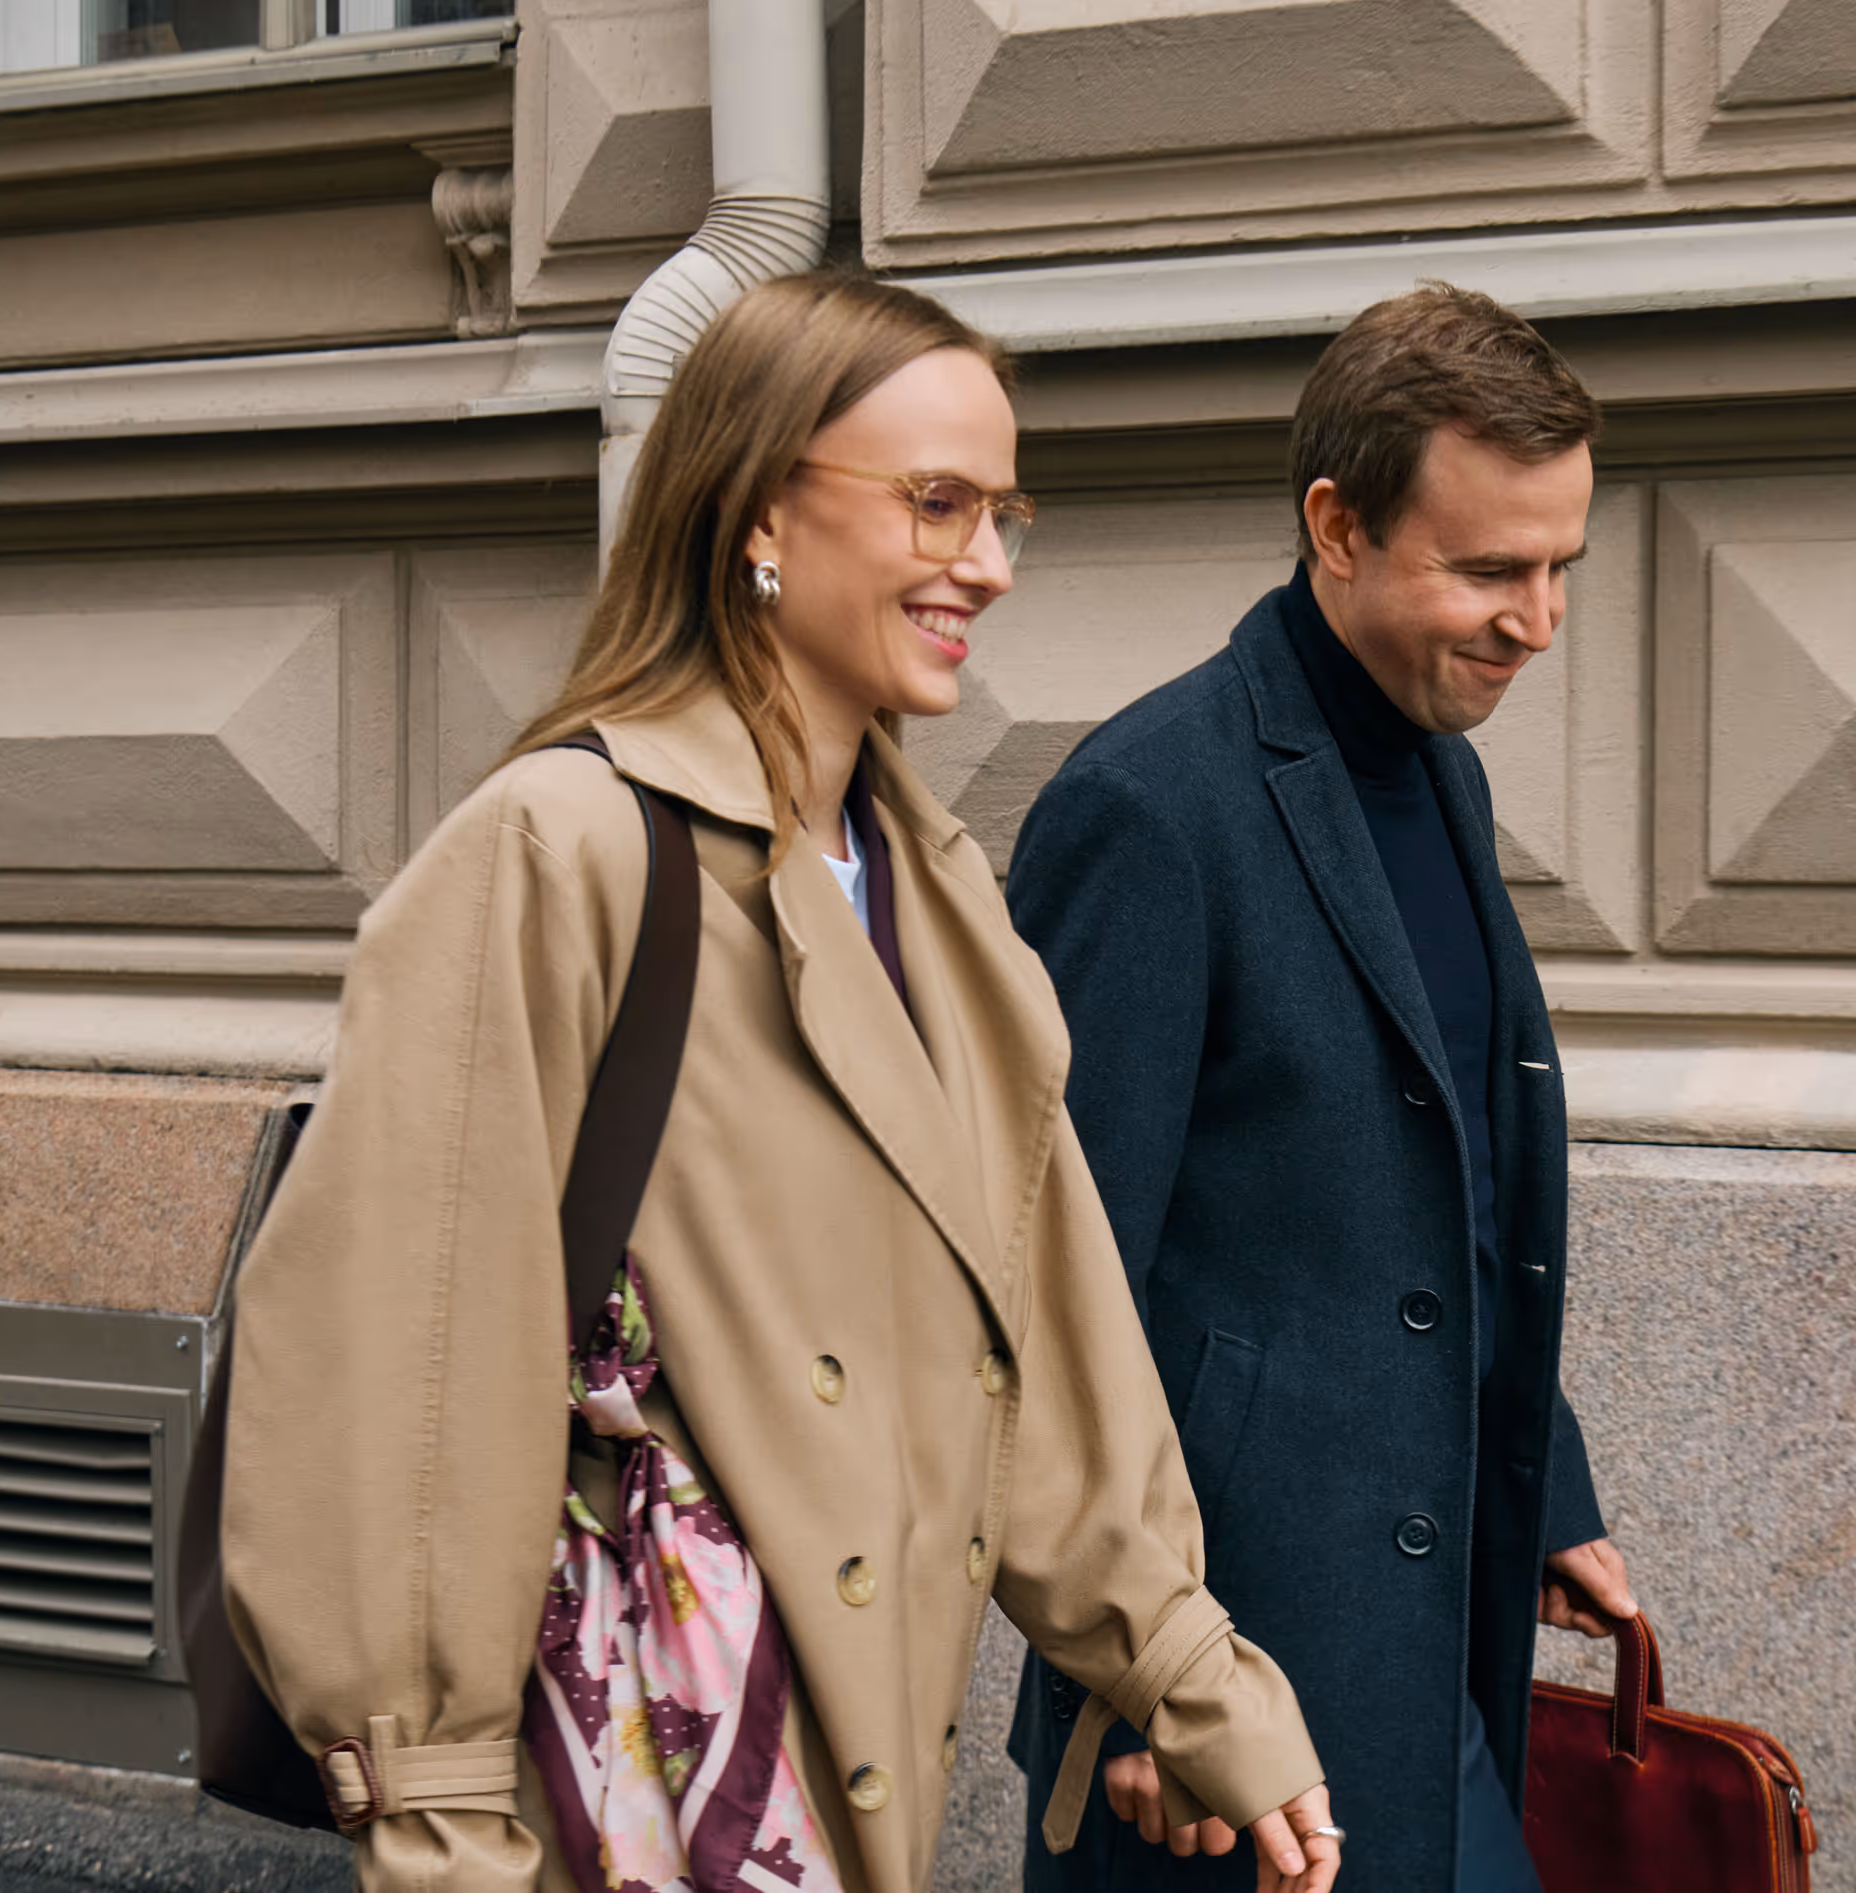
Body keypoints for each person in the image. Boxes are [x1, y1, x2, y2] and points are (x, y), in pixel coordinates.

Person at [219, 273, 1342, 1893]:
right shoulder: (564, 847)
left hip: (844, 1757)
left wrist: (1187, 1675)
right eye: (937, 504)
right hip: (629, 1773)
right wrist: (437, 1812)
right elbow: (401, 1358)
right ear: (759, 510)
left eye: (1004, 513)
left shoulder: (935, 894)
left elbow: (1034, 1330)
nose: (990, 564)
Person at [1002, 282, 1636, 1892]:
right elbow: (1058, 1293)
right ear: (1337, 527)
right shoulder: (1147, 808)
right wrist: (1134, 1683)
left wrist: (1541, 1481)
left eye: (1559, 566)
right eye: (1487, 570)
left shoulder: (1442, 773)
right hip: (1215, 1706)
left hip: (1431, 1648)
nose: (1538, 620)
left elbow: (1452, 1187)